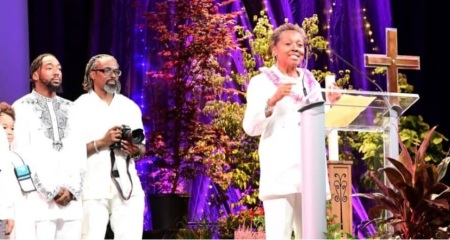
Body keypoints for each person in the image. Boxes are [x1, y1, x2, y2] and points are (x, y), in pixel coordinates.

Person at [242, 23, 340, 240]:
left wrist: (330, 105)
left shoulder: (311, 83)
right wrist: (273, 100)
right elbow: (250, 128)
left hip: (310, 172)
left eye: (300, 44)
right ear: (274, 49)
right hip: (280, 173)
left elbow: (320, 126)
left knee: (314, 236)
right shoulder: (261, 82)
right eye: (288, 43)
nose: (296, 48)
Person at [12, 53, 87, 240]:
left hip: (71, 201)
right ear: (35, 75)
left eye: (59, 68)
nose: (57, 72)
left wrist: (71, 188)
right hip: (39, 201)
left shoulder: (72, 108)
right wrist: (50, 189)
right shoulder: (21, 107)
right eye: (49, 67)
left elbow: (79, 152)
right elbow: (20, 154)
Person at [73, 54, 146, 240]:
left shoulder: (129, 106)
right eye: (107, 70)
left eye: (116, 71)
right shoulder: (78, 107)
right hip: (92, 187)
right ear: (92, 74)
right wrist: (102, 143)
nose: (113, 75)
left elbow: (142, 148)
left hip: (127, 186)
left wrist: (134, 150)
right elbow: (70, 153)